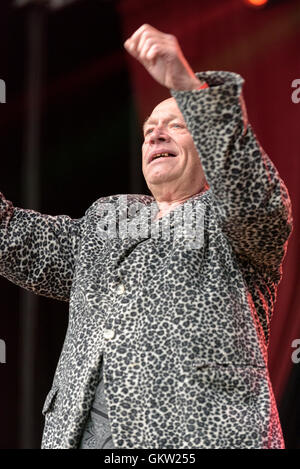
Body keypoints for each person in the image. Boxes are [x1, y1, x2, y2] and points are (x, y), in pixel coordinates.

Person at [0, 24, 292, 449]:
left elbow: (248, 189)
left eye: (177, 125)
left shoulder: (235, 221)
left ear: (209, 148)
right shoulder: (109, 216)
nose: (155, 133)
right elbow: (14, 239)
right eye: (149, 128)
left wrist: (184, 84)